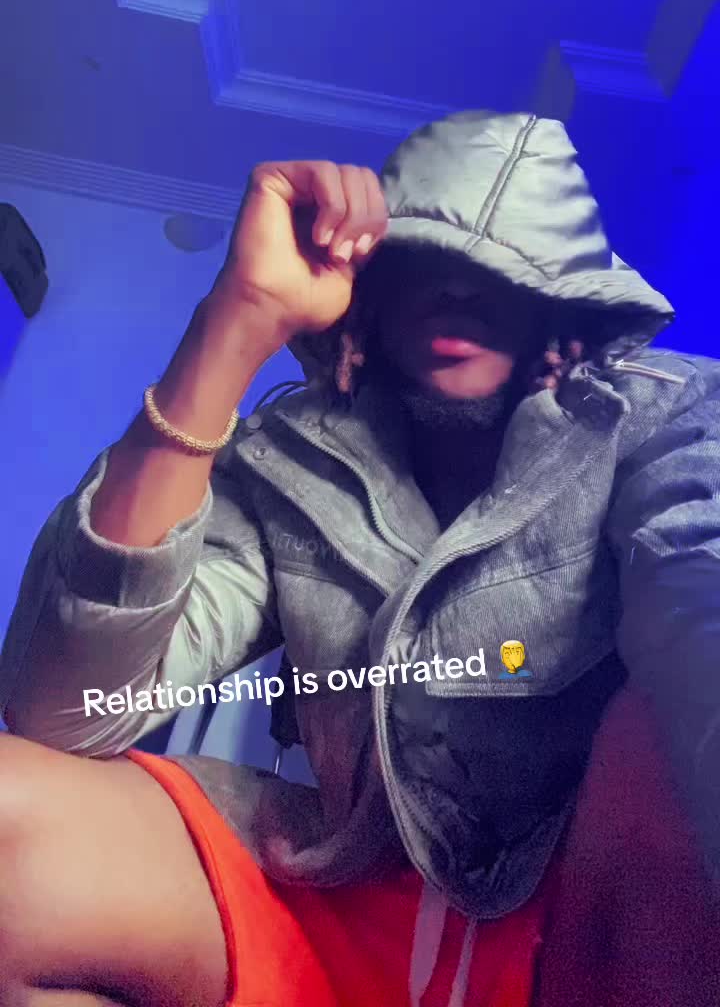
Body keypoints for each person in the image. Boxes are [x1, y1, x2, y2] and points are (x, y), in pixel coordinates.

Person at [0, 110, 719, 1007]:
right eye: (425, 261)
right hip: (341, 891)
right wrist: (236, 323)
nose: (456, 289)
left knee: (652, 729)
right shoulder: (288, 461)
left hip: (582, 932)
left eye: (500, 272)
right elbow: (65, 715)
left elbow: (698, 594)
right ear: (369, 292)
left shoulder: (664, 416)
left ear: (565, 307)